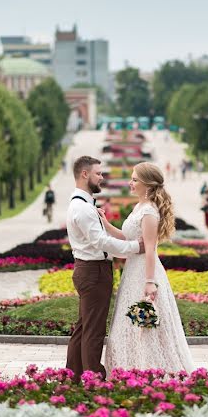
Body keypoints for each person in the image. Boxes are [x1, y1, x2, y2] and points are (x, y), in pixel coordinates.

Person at [101, 162, 194, 373]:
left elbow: (150, 249)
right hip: (132, 270)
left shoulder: (150, 212)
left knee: (144, 326)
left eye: (135, 180)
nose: (130, 183)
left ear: (147, 184)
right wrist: (105, 224)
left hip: (144, 272)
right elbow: (128, 237)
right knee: (130, 325)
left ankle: (150, 370)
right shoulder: (139, 207)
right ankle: (130, 370)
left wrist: (150, 282)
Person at [66, 156, 145, 381]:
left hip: (91, 269)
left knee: (84, 328)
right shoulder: (82, 208)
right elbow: (100, 242)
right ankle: (93, 379)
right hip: (93, 271)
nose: (102, 177)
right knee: (93, 331)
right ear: (84, 174)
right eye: (98, 173)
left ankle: (73, 376)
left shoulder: (84, 205)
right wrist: (133, 247)